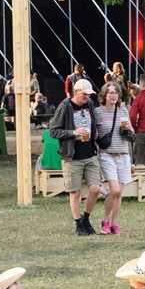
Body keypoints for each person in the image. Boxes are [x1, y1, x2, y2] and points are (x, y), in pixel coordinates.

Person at [48, 78, 102, 237]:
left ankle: (86, 217)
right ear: (77, 91)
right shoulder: (65, 106)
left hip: (90, 154)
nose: (87, 97)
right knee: (75, 192)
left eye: (89, 94)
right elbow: (54, 131)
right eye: (85, 94)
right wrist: (73, 133)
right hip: (72, 157)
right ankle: (78, 223)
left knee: (95, 188)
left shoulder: (90, 104)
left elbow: (93, 125)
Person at [94, 81, 133, 235]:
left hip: (123, 154)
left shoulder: (123, 110)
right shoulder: (97, 112)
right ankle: (104, 220)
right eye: (110, 92)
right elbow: (93, 134)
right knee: (114, 189)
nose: (114, 95)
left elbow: (132, 135)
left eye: (116, 93)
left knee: (119, 193)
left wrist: (128, 130)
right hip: (107, 154)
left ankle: (114, 224)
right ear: (104, 95)